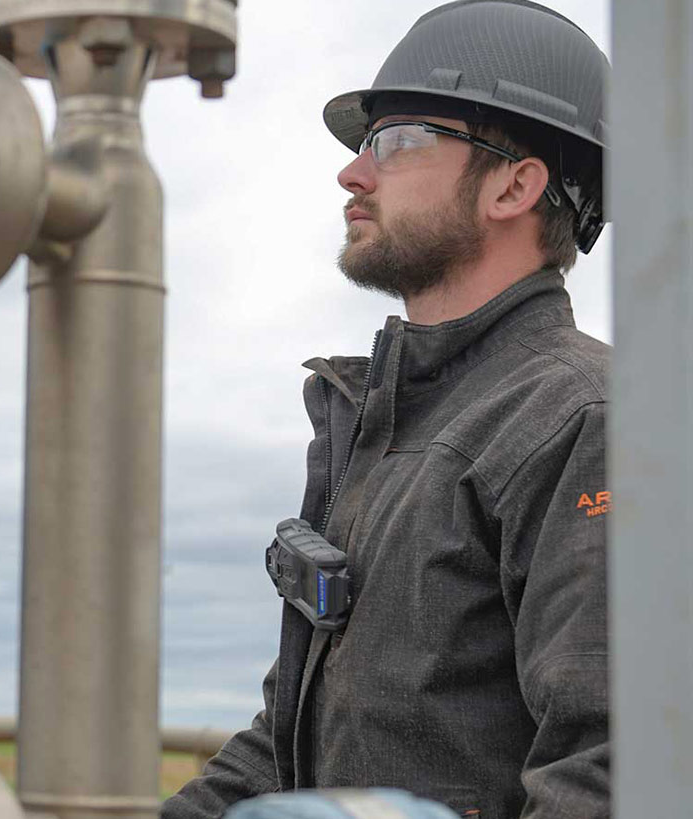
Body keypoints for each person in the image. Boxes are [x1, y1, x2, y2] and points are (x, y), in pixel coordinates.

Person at [164, 2, 610, 817]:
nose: (353, 173)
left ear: (515, 183)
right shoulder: (383, 425)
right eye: (365, 145)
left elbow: (613, 769)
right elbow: (286, 744)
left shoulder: (586, 419)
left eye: (397, 141)